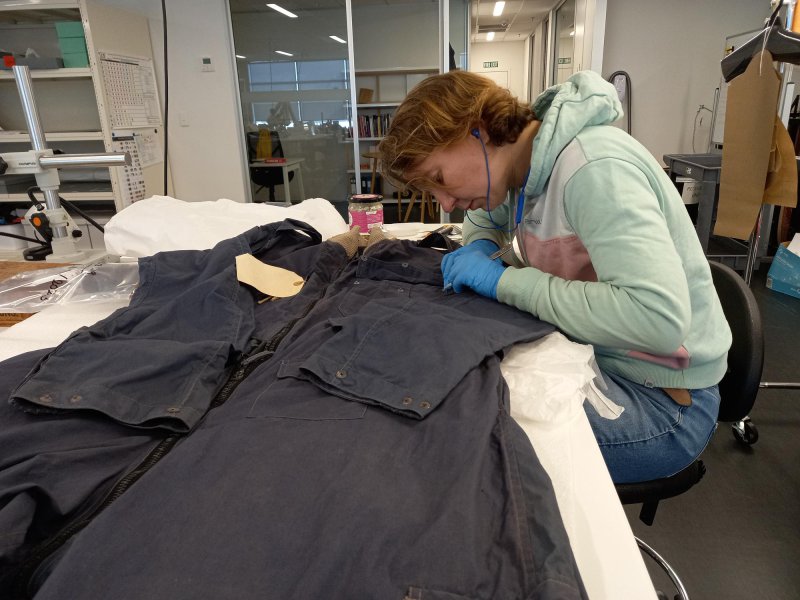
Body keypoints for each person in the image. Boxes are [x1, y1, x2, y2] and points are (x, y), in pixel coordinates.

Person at [377, 70, 732, 484]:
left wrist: (504, 283)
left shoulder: (594, 169)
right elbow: (482, 217)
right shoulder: (523, 167)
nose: (445, 203)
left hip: (664, 400)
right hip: (602, 358)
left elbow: (658, 320)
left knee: (456, 436)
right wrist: (480, 245)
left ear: (478, 131)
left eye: (439, 178)